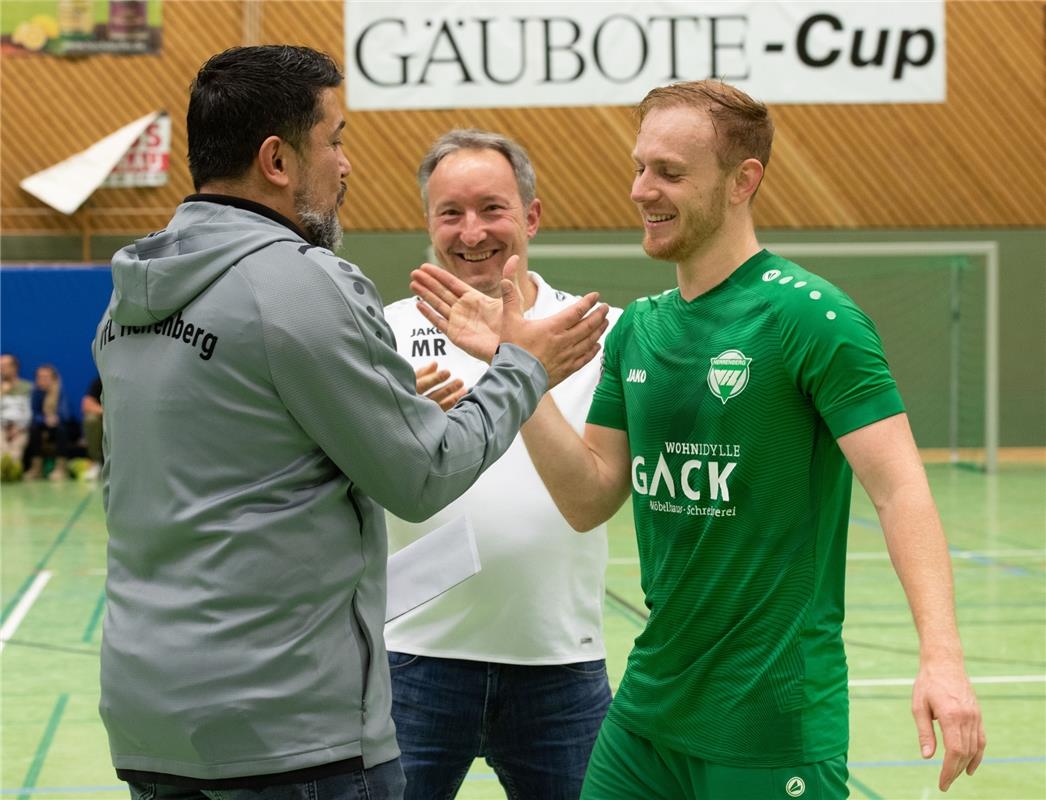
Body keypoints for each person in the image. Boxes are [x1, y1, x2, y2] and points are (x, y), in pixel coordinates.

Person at [410, 80, 985, 799]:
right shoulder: (640, 330)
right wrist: (516, 370)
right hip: (646, 717)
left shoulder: (811, 317)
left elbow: (900, 491)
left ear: (744, 180)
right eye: (640, 167)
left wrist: (942, 657)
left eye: (671, 174)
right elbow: (588, 498)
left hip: (767, 720)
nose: (642, 190)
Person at [92, 45, 607, 800]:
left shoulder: (133, 294)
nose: (346, 165)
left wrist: (370, 427)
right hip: (285, 728)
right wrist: (522, 369)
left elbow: (165, 481)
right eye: (334, 140)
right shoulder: (302, 283)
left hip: (151, 716)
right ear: (277, 159)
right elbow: (422, 476)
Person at [383, 129, 622, 799]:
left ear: (532, 216)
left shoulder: (596, 333)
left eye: (492, 208)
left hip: (559, 664)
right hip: (412, 661)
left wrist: (512, 362)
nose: (471, 232)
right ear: (428, 225)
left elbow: (602, 489)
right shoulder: (381, 336)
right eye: (449, 213)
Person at [25, 363, 72, 480]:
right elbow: (34, 413)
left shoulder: (60, 391)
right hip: (43, 424)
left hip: (59, 424)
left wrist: (56, 418)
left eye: (45, 377)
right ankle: (36, 468)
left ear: (53, 378)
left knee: (61, 429)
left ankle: (61, 468)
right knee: (34, 429)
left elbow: (66, 414)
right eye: (39, 377)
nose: (42, 380)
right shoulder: (36, 393)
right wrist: (44, 419)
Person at [0, 353, 32, 467]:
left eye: (4, 366)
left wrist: (18, 428)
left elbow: (30, 412)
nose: (1, 369)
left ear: (15, 367)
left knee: (16, 450)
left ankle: (12, 470)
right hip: (1, 427)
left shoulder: (28, 387)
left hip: (21, 429)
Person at [81, 375, 103, 480]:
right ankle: (97, 463)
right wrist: (108, 413)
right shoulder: (100, 380)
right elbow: (87, 404)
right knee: (91, 420)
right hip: (106, 418)